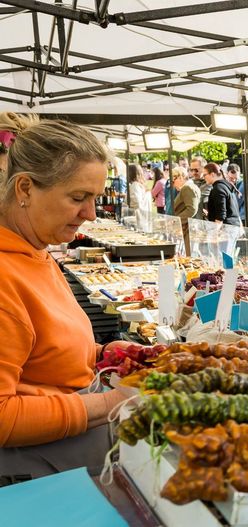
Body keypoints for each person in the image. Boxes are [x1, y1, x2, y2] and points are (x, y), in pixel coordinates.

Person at [0, 113, 135, 481]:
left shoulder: (37, 251)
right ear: (24, 189)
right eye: (79, 198)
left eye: (94, 198)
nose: (90, 214)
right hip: (32, 475)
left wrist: (105, 355)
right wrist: (110, 402)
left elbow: (43, 353)